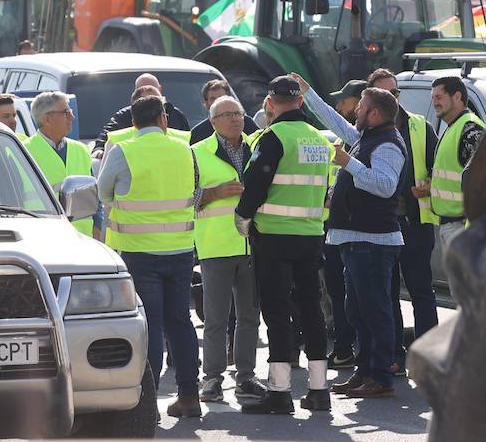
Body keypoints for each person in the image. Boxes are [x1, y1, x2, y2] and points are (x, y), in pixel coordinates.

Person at [98, 95, 203, 419]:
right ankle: (189, 396)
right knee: (181, 322)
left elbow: (103, 193)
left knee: (151, 325)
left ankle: (149, 404)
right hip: (182, 249)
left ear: (133, 123)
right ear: (163, 119)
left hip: (140, 252)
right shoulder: (184, 149)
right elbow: (197, 191)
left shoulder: (123, 151)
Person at [235, 76, 334, 414]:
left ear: (271, 103)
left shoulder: (273, 137)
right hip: (310, 235)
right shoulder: (320, 140)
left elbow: (256, 182)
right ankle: (319, 390)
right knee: (311, 309)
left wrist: (243, 217)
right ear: (300, 102)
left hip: (275, 236)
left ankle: (279, 392)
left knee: (277, 312)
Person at [301, 78, 406, 399]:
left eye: (359, 107)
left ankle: (382, 376)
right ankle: (365, 371)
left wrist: (349, 163)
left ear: (374, 114)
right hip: (355, 240)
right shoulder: (367, 136)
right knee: (357, 311)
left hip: (373, 242)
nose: (353, 112)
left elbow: (385, 185)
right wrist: (309, 93)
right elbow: (334, 122)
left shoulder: (387, 143)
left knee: (375, 311)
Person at [363, 68, 439, 377]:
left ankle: (430, 356)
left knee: (422, 291)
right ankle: (392, 355)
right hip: (383, 225)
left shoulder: (420, 126)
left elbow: (439, 165)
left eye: (395, 93)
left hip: (416, 221)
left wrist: (429, 182)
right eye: (384, 94)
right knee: (387, 293)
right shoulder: (365, 132)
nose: (392, 98)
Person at [191, 95, 265, 404]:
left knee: (250, 317)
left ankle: (246, 377)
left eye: (238, 113)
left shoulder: (259, 146)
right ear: (212, 122)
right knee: (216, 318)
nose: (235, 119)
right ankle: (212, 379)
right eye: (227, 115)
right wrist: (213, 193)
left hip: (252, 244)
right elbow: (183, 199)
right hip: (216, 246)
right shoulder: (196, 153)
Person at [27, 91, 102, 239]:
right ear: (47, 119)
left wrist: (97, 229)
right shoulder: (24, 151)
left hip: (82, 239)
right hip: (42, 239)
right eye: (66, 113)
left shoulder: (81, 149)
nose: (72, 117)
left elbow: (95, 198)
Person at [426, 76, 486, 254]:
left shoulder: (470, 129)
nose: (434, 103)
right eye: (433, 98)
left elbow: (482, 181)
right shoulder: (456, 126)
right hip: (454, 225)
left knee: (466, 282)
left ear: (457, 96)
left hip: (462, 226)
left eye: (439, 97)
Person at [91, 73, 190, 157]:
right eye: (144, 97)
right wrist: (99, 148)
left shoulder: (175, 115)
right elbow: (106, 136)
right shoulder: (125, 116)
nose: (149, 102)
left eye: (152, 92)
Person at [189, 79, 260, 144]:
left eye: (221, 98)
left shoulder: (247, 123)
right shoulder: (198, 133)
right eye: (213, 99)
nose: (217, 101)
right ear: (205, 104)